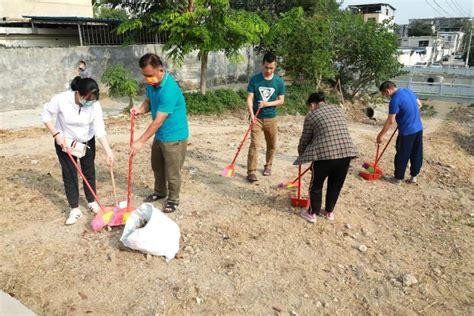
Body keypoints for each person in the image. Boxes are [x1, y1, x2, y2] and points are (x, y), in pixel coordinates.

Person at [41, 78, 114, 225]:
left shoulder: (95, 105)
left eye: (93, 100)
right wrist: (56, 134)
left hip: (87, 142)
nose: (90, 103)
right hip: (65, 143)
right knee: (70, 174)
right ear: (78, 93)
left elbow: (100, 129)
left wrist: (108, 151)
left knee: (89, 172)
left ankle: (92, 201)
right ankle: (74, 208)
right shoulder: (61, 99)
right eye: (87, 99)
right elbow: (45, 115)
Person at [130, 53, 189, 213]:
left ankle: (173, 199)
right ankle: (160, 192)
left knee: (172, 171)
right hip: (160, 135)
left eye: (150, 75)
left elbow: (158, 121)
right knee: (157, 166)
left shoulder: (169, 89)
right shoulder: (152, 85)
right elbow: (148, 102)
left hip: (174, 136)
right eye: (145, 75)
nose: (147, 79)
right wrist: (140, 109)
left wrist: (140, 141)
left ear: (160, 70)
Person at [295, 92, 357, 223]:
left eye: (309, 107)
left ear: (312, 104)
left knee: (316, 185)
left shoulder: (311, 116)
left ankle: (312, 213)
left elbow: (305, 139)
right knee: (335, 184)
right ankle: (329, 212)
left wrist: (301, 154)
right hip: (346, 153)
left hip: (324, 156)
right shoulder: (338, 110)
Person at [246, 52, 285, 183]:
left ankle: (268, 166)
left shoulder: (279, 82)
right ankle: (251, 171)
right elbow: (250, 98)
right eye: (267, 67)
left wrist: (267, 103)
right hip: (256, 118)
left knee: (271, 144)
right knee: (254, 145)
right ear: (262, 65)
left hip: (271, 118)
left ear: (275, 66)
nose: (269, 70)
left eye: (271, 68)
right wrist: (251, 114)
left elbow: (281, 100)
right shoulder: (255, 79)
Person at [376, 81, 423, 185]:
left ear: (388, 91)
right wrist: (407, 115)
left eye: (384, 94)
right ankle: (413, 177)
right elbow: (419, 104)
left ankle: (398, 179)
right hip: (419, 128)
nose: (386, 96)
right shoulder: (408, 91)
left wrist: (380, 136)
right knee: (416, 152)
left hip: (407, 132)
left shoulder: (395, 100)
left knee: (402, 154)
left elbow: (390, 121)